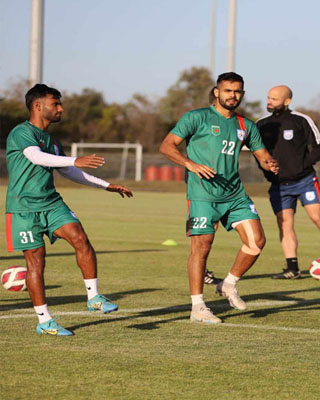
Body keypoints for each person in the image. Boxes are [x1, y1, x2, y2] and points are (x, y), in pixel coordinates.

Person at [5, 84, 133, 336]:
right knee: (36, 263)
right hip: (23, 208)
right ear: (38, 106)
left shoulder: (53, 140)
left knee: (80, 238)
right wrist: (74, 159)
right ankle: (44, 321)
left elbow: (69, 171)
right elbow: (35, 157)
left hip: (51, 202)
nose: (61, 108)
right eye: (56, 104)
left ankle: (94, 298)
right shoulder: (21, 132)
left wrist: (106, 185)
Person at [160, 72, 278, 324]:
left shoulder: (246, 125)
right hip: (203, 195)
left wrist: (270, 164)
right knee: (201, 248)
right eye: (227, 91)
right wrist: (189, 164)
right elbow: (167, 145)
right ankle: (197, 307)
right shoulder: (196, 117)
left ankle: (229, 284)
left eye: (237, 92)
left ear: (242, 94)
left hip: (234, 194)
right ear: (216, 92)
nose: (232, 96)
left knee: (257, 242)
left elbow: (262, 156)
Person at [256, 85, 320, 279]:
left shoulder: (301, 120)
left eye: (274, 99)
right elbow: (257, 154)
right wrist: (267, 171)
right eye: (268, 98)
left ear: (287, 101)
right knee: (285, 224)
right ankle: (292, 269)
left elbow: (319, 147)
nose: (269, 102)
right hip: (279, 186)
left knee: (317, 216)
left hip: (305, 180)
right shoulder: (261, 124)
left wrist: (301, 166)